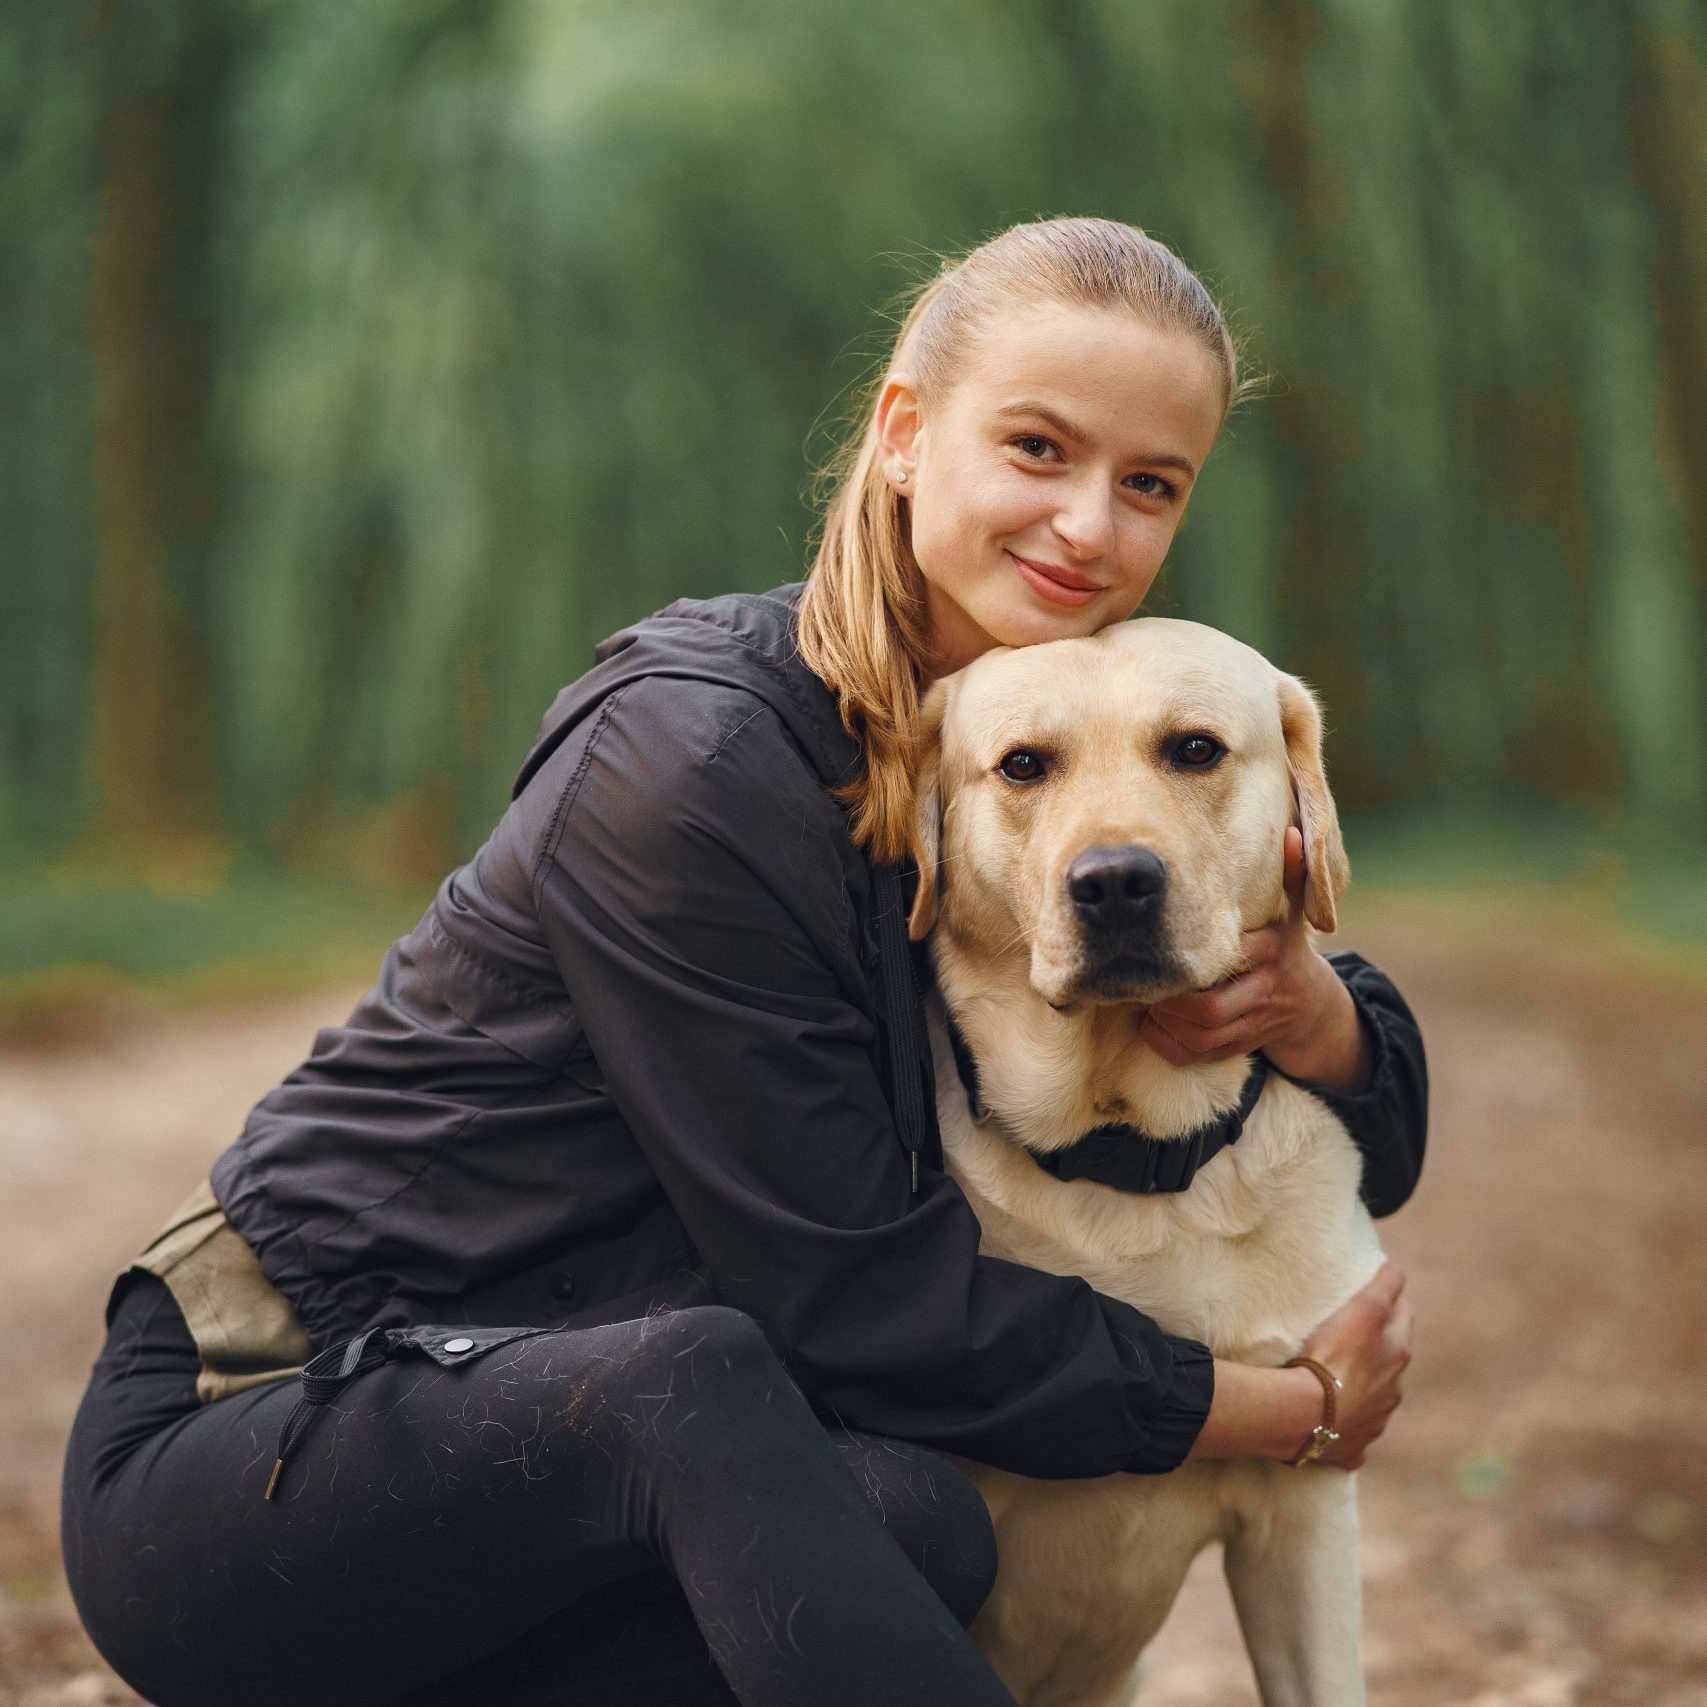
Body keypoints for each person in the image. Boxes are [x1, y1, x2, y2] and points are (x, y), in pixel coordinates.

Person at [61, 217, 1424, 1707]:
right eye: (1037, 448)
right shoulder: (692, 763)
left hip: (559, 1454)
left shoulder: (1010, 768)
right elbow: (859, 1301)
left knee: (916, 1524)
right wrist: (1280, 1411)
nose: (1089, 526)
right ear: (904, 435)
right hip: (262, 1428)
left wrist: (1323, 1020)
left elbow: (1346, 1122)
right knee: (698, 1384)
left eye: (1149, 484)